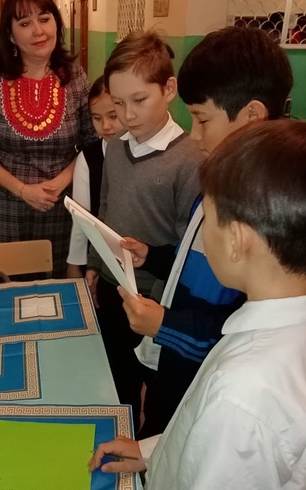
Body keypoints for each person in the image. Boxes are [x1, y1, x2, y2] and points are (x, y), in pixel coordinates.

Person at [53, 119, 306, 490]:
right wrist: (151, 451)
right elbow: (211, 446)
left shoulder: (244, 395)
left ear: (237, 240)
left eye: (207, 219)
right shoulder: (288, 326)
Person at [119, 26, 294, 438]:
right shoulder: (219, 179)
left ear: (251, 116)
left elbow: (236, 332)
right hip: (175, 365)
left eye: (201, 119)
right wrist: (155, 256)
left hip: (204, 386)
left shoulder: (267, 215)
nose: (194, 134)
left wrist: (164, 325)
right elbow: (195, 260)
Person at [86, 31, 204, 430]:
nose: (128, 115)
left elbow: (190, 247)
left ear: (168, 89)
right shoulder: (116, 147)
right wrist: (94, 263)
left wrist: (158, 293)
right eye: (119, 104)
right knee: (116, 376)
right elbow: (104, 208)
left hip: (155, 300)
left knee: (154, 388)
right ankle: (120, 436)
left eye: (139, 100)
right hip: (112, 286)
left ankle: (145, 445)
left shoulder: (190, 160)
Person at [0, 0, 98, 278]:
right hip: (9, 209)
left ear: (56, 22)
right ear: (10, 34)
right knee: (11, 285)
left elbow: (92, 143)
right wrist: (23, 190)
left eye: (44, 18)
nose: (38, 31)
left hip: (63, 205)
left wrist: (60, 183)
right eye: (25, 23)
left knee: (61, 285)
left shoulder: (76, 77)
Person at [66, 76, 123, 279]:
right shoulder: (88, 158)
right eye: (97, 118)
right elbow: (81, 218)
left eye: (113, 116)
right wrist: (74, 264)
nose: (105, 126)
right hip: (97, 259)